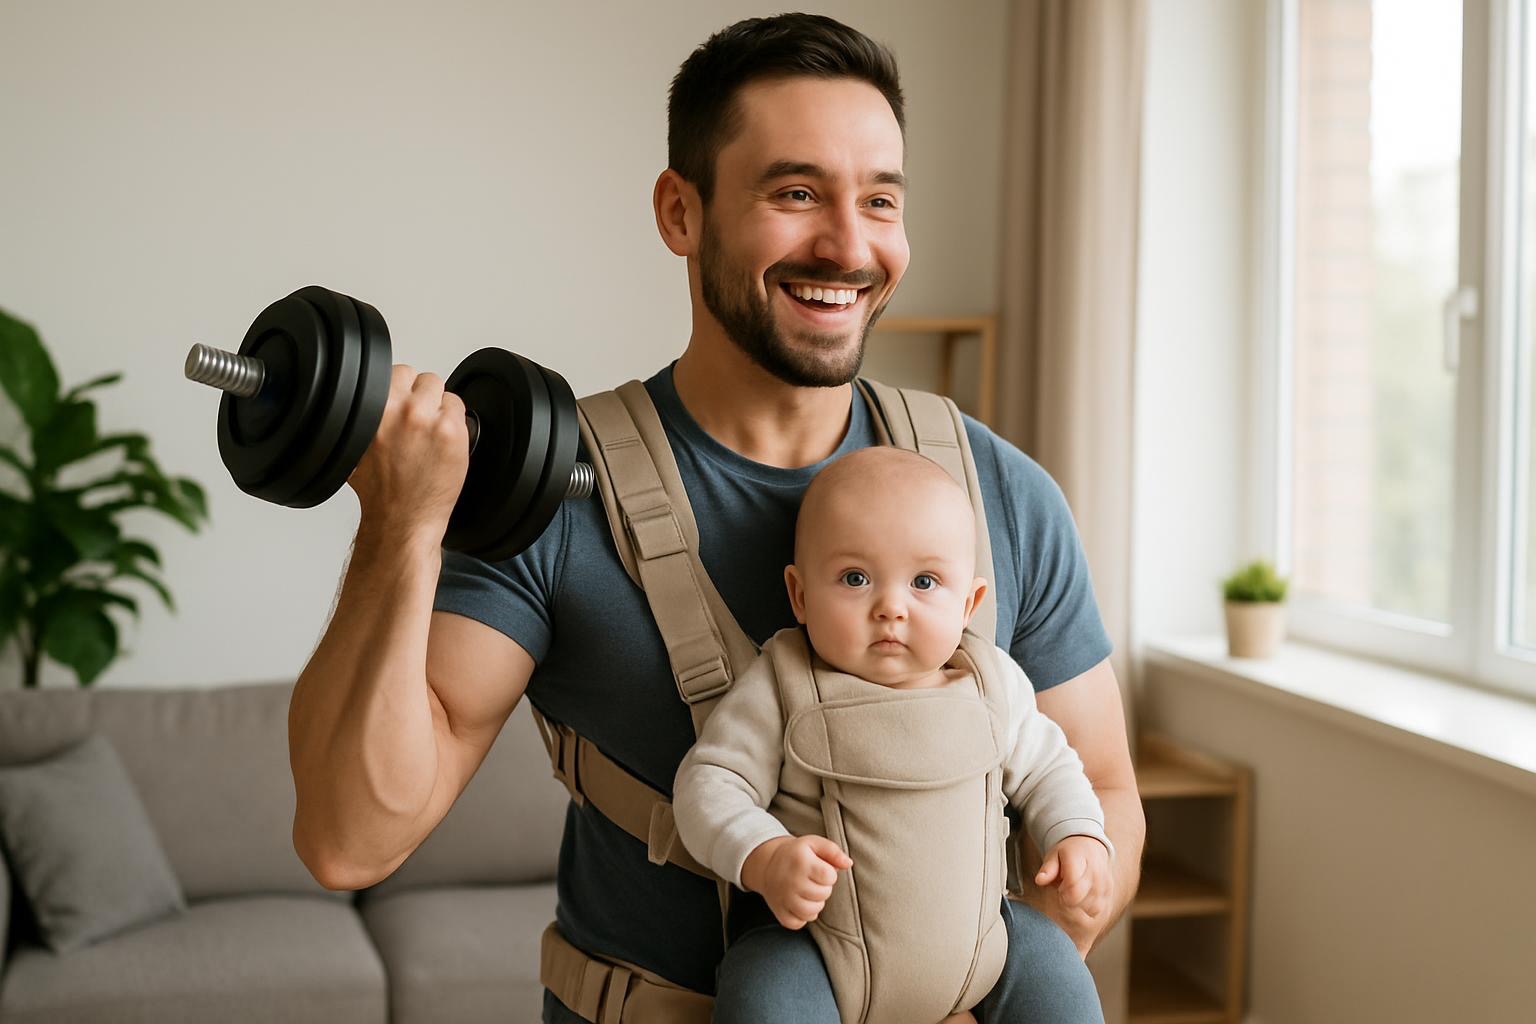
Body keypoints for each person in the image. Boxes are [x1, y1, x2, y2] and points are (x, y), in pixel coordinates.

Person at [287, 12, 1145, 1024]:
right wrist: (401, 526)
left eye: (879, 199)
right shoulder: (560, 498)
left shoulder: (996, 491)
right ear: (680, 212)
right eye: (796, 193)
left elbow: (1099, 787)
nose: (848, 243)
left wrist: (996, 973)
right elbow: (351, 836)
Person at [673, 446, 1114, 1024]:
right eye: (855, 578)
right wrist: (764, 855)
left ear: (969, 603)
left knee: (1059, 977)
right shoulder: (782, 682)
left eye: (925, 581)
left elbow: (1051, 767)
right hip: (815, 948)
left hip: (986, 939)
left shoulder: (992, 682)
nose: (890, 607)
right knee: (761, 998)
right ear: (799, 594)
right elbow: (710, 782)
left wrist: (1077, 835)